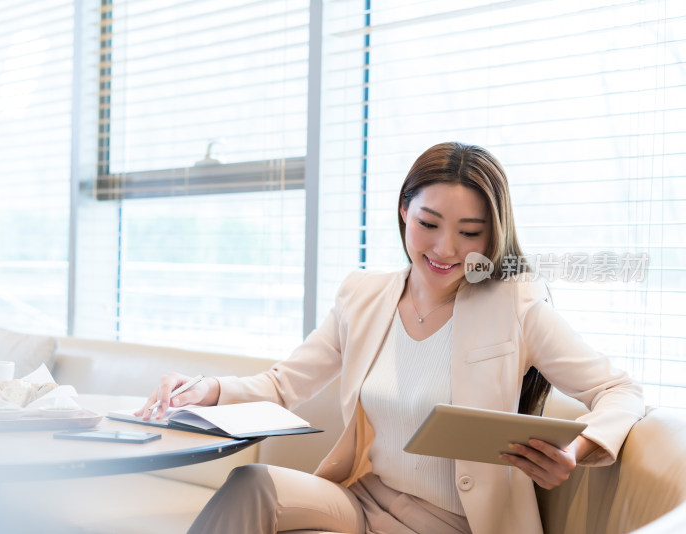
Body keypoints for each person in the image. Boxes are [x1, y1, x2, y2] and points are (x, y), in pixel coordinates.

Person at [136, 142, 645, 534]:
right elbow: (283, 383)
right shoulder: (362, 295)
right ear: (404, 209)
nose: (446, 248)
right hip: (361, 501)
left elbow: (621, 390)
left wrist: (577, 451)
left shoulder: (516, 305)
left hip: (455, 523)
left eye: (470, 232)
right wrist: (206, 390)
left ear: (493, 235)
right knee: (253, 484)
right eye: (429, 223)